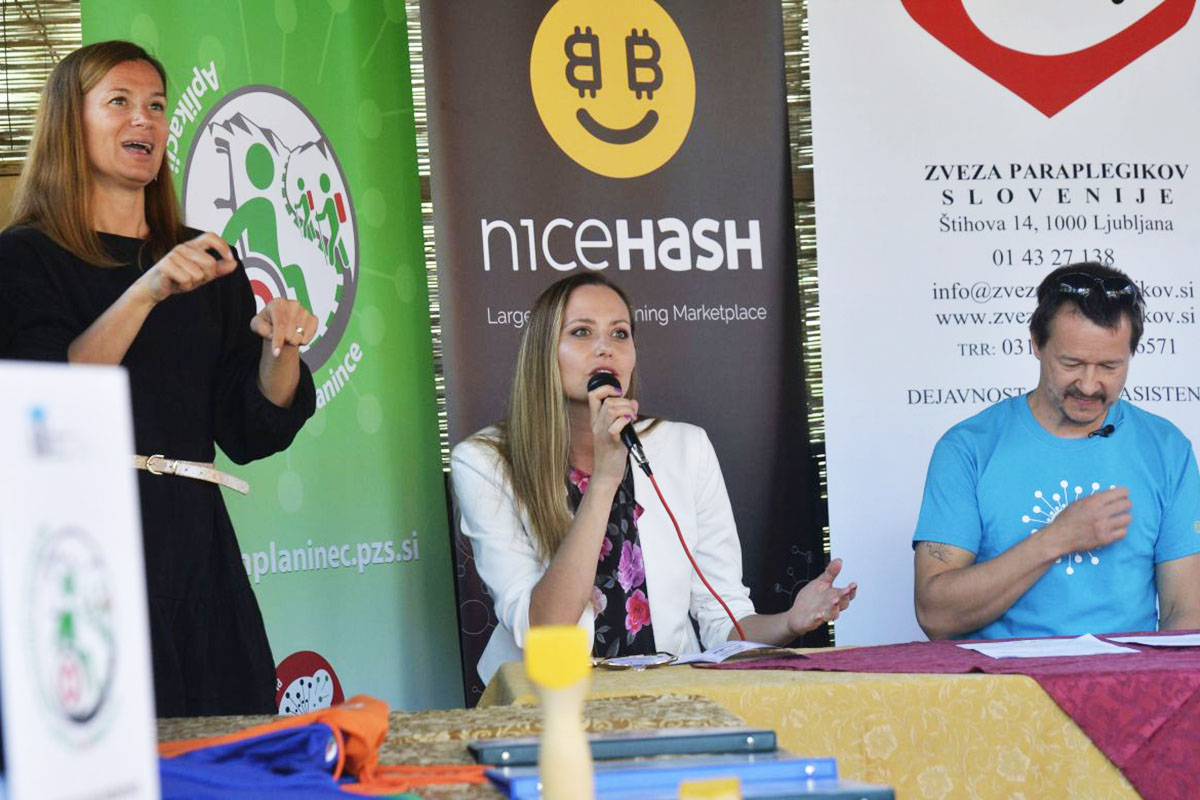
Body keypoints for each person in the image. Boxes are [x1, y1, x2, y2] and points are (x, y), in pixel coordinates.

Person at [0, 41, 317, 714]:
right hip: (79, 548)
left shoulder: (206, 259)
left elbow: (248, 430)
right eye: (119, 102)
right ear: (69, 121)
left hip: (198, 547)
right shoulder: (22, 258)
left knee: (230, 739)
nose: (143, 119)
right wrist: (146, 291)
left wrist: (280, 348)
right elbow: (51, 402)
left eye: (156, 105)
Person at [451, 272, 856, 683]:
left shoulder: (686, 447)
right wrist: (605, 481)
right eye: (581, 332)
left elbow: (723, 620)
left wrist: (790, 622)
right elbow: (544, 633)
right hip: (546, 698)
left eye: (620, 333)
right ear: (542, 352)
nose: (605, 347)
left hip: (668, 697)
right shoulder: (486, 463)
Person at [913, 263, 1200, 640]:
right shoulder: (968, 448)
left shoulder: (1167, 449)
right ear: (1036, 342)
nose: (1089, 384)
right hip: (999, 677)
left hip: (1128, 676)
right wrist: (1057, 538)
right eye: (1072, 363)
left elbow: (1186, 611)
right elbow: (935, 616)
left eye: (1110, 366)